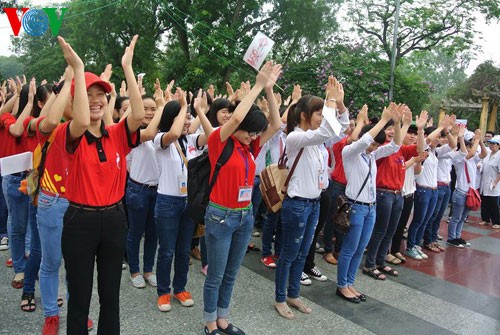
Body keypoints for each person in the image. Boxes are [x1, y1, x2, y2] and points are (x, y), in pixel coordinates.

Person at [56, 35, 144, 334]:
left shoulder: (117, 134)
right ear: (76, 99)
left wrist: (128, 68)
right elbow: (81, 120)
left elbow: (140, 114)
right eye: (88, 94)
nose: (95, 100)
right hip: (80, 221)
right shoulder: (69, 134)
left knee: (111, 296)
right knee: (80, 297)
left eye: (101, 94)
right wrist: (78, 70)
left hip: (115, 219)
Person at [203, 61, 282, 335]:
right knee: (215, 274)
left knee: (231, 273)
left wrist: (269, 90)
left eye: (256, 133)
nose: (253, 136)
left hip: (244, 215)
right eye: (250, 131)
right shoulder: (219, 140)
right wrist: (258, 84)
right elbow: (236, 119)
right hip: (220, 215)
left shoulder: (250, 147)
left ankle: (223, 318)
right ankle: (210, 322)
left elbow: (277, 123)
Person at [274, 76, 349, 319]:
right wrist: (329, 100)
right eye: (317, 112)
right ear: (304, 115)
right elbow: (328, 129)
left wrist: (340, 106)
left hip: (314, 204)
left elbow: (341, 131)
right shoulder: (296, 138)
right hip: (296, 205)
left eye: (321, 112)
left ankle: (293, 294)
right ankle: (279, 298)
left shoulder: (317, 142)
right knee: (289, 254)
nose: (321, 116)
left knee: (303, 252)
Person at [154, 88, 213, 312]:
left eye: (188, 118)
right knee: (167, 250)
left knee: (182, 250)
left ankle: (180, 288)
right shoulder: (160, 139)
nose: (187, 121)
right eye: (184, 117)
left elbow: (211, 136)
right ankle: (163, 291)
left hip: (188, 203)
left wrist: (200, 111)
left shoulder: (191, 141)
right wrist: (183, 107)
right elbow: (174, 132)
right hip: (167, 202)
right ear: (172, 118)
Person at [337, 103, 402, 303]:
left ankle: (350, 282)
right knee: (349, 248)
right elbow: (364, 140)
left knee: (360, 248)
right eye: (372, 143)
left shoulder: (371, 157)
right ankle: (342, 285)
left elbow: (395, 146)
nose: (373, 147)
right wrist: (382, 121)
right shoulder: (350, 153)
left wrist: (398, 124)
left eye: (376, 144)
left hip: (370, 208)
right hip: (356, 207)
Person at [447, 128, 487, 247]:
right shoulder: (459, 158)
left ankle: (457, 236)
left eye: (471, 146)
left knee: (463, 217)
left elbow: (484, 153)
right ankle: (451, 237)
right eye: (468, 146)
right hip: (460, 192)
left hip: (469, 192)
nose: (471, 148)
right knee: (456, 217)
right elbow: (469, 153)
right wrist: (475, 140)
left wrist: (480, 142)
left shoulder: (472, 159)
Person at [479, 135, 500, 229]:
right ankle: (485, 219)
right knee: (484, 201)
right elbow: (482, 162)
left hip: (493, 183)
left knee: (493, 203)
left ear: (498, 145)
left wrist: (495, 182)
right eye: (490, 143)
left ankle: (496, 221)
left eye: (493, 144)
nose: (491, 145)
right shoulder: (487, 154)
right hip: (484, 181)